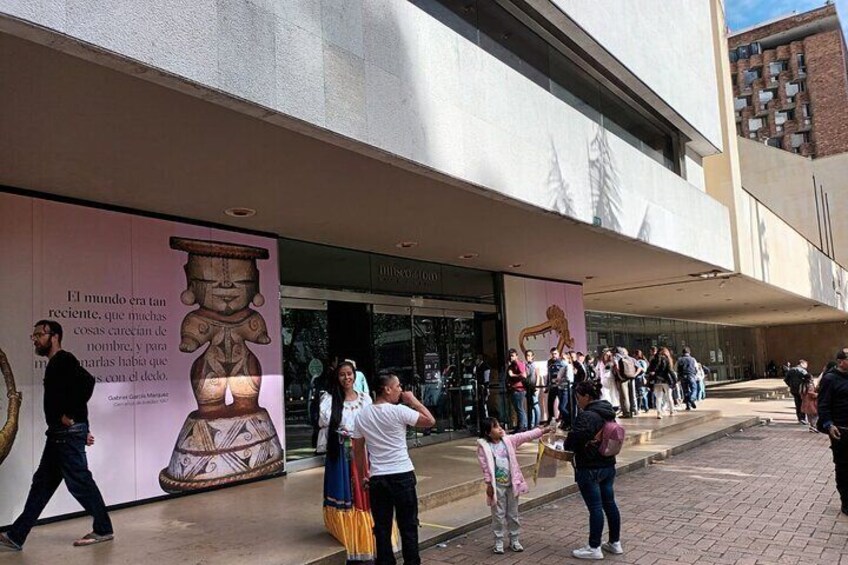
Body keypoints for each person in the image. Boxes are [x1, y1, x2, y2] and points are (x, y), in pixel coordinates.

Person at [0, 320, 113, 551]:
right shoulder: (55, 364)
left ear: (55, 336)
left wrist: (72, 417)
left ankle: (103, 529)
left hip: (65, 435)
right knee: (42, 484)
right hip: (59, 435)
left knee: (79, 482)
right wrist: (80, 425)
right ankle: (16, 536)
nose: (35, 339)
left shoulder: (64, 359)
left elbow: (87, 383)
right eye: (33, 336)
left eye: (39, 335)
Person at [351, 373, 435, 565]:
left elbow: (357, 451)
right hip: (402, 475)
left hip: (378, 478)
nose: (400, 390)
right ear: (387, 389)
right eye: (397, 386)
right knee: (408, 526)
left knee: (382, 527)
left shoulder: (362, 415)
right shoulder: (399, 411)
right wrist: (413, 400)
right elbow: (430, 421)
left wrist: (365, 476)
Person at [320, 361, 382, 562]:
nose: (347, 378)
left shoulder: (365, 399)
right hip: (341, 454)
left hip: (362, 452)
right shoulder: (330, 400)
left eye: (349, 374)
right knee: (346, 493)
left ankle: (367, 537)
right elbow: (325, 421)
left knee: (363, 494)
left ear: (355, 376)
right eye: (342, 375)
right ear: (336, 378)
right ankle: (347, 536)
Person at [564, 379, 622, 560]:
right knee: (610, 504)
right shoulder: (608, 411)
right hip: (608, 464)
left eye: (578, 397)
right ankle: (615, 542)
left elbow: (572, 442)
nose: (577, 401)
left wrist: (567, 441)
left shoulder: (588, 416)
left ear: (587, 396)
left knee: (596, 508)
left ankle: (594, 547)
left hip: (589, 467)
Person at [476, 417, 546, 554]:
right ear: (488, 433)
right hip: (498, 488)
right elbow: (485, 468)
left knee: (513, 514)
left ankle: (514, 540)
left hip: (512, 485)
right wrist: (489, 485)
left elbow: (525, 436)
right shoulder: (484, 448)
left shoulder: (509, 441)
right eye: (495, 427)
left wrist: (542, 430)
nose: (500, 428)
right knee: (498, 515)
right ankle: (498, 542)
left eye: (499, 425)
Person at [817, 349, 848, 514]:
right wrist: (829, 424)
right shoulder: (830, 379)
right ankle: (846, 501)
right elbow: (823, 405)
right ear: (840, 361)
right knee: (843, 467)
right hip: (841, 432)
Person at [652, 348, 676, 419]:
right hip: (666, 380)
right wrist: (674, 380)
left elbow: (650, 370)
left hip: (657, 380)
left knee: (658, 398)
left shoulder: (654, 360)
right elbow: (670, 371)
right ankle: (672, 411)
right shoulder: (666, 360)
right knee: (669, 396)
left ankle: (659, 413)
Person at [507, 349, 527, 432]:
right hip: (513, 389)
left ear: (516, 356)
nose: (511, 357)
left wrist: (513, 375)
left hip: (518, 389)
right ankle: (520, 426)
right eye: (510, 356)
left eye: (512, 356)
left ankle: (522, 426)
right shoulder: (512, 364)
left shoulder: (518, 363)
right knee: (517, 409)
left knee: (519, 409)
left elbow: (524, 375)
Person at [785, 360, 810, 424]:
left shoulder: (791, 370)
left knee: (797, 403)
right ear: (801, 364)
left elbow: (786, 379)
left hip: (793, 390)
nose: (806, 366)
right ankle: (802, 418)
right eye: (805, 364)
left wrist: (790, 385)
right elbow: (808, 378)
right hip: (801, 390)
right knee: (802, 403)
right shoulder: (803, 371)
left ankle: (799, 418)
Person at [546, 348, 565, 425]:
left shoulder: (562, 362)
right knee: (550, 403)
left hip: (560, 386)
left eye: (555, 353)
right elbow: (549, 375)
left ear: (558, 354)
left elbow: (564, 374)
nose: (554, 355)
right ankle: (551, 418)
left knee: (562, 404)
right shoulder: (549, 362)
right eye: (552, 354)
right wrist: (547, 385)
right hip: (552, 386)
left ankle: (562, 419)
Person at [524, 350, 542, 428]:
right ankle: (532, 423)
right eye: (527, 355)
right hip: (528, 388)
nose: (529, 357)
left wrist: (537, 387)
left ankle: (537, 423)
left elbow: (538, 376)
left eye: (530, 355)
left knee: (535, 405)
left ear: (533, 356)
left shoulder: (535, 365)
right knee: (530, 406)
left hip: (534, 388)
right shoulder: (525, 366)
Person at [474, 354, 491, 421]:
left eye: (476, 359)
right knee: (481, 404)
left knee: (484, 403)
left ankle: (485, 418)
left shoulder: (485, 367)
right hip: (478, 387)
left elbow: (486, 379)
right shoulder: (477, 367)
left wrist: (486, 387)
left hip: (482, 387)